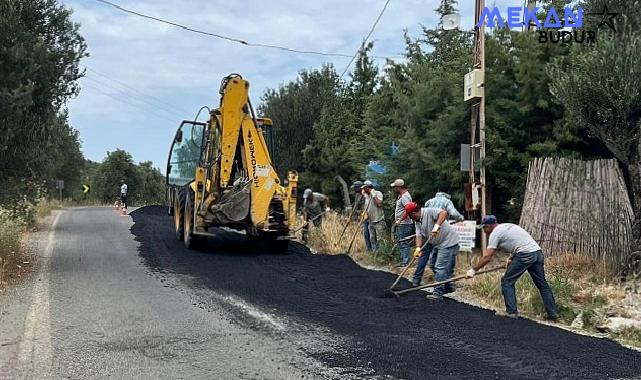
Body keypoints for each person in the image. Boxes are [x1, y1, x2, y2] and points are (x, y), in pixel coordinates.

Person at [466, 215, 559, 321]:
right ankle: (553, 314)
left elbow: (487, 257)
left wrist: (473, 270)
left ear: (489, 226)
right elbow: (519, 242)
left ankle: (511, 312)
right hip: (537, 253)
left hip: (525, 255)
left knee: (507, 281)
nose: (484, 231)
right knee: (542, 284)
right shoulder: (508, 226)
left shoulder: (495, 233)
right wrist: (511, 259)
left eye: (484, 228)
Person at [406, 201, 460, 300]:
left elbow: (443, 213)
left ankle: (437, 294)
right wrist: (418, 248)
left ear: (413, 213)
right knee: (433, 265)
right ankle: (448, 286)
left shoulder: (429, 211)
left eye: (409, 215)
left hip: (448, 242)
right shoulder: (417, 221)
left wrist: (436, 226)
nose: (409, 218)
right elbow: (419, 235)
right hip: (438, 244)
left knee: (440, 267)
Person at [412, 191, 465, 286]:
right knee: (435, 262)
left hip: (439, 233)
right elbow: (453, 213)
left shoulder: (429, 202)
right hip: (432, 234)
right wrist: (460, 218)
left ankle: (419, 279)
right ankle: (443, 280)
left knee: (430, 260)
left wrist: (436, 226)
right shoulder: (447, 202)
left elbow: (428, 215)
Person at [391, 179, 413, 267]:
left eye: (395, 187)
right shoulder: (402, 196)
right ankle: (403, 259)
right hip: (402, 223)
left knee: (404, 242)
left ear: (399, 187)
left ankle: (405, 262)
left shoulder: (405, 196)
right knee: (401, 241)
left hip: (404, 223)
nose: (394, 189)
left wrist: (400, 220)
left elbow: (409, 209)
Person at [362, 180, 386, 252]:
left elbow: (379, 204)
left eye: (364, 188)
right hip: (370, 221)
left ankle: (382, 254)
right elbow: (367, 208)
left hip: (378, 220)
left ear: (368, 187)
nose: (363, 190)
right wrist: (365, 214)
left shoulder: (377, 193)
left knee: (380, 239)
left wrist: (374, 195)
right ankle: (375, 254)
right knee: (372, 238)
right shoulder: (367, 196)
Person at [352, 180, 371, 251]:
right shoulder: (357, 195)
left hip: (369, 216)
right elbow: (356, 205)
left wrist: (361, 212)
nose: (354, 190)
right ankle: (369, 250)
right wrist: (353, 214)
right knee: (365, 233)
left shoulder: (366, 195)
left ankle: (373, 251)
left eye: (355, 188)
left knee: (370, 234)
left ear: (359, 188)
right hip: (363, 217)